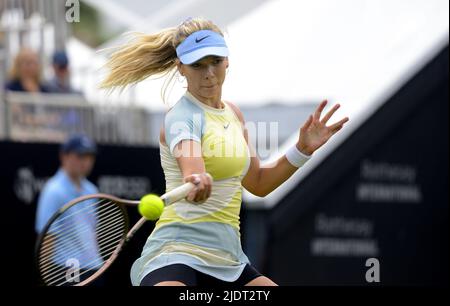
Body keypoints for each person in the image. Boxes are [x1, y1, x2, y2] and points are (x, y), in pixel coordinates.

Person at [101, 17, 349, 286]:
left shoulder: (234, 115)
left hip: (229, 260)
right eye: (197, 65)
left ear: (227, 61)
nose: (208, 73)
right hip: (176, 255)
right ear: (180, 68)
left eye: (215, 62)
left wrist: (301, 150)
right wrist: (196, 180)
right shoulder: (182, 117)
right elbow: (192, 169)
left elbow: (258, 183)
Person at [35, 134, 102, 285]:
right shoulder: (54, 191)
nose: (86, 161)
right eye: (80, 156)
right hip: (67, 269)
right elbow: (47, 238)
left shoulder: (92, 190)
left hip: (94, 269)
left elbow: (92, 233)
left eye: (90, 156)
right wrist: (45, 278)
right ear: (64, 156)